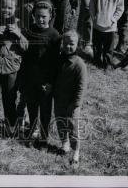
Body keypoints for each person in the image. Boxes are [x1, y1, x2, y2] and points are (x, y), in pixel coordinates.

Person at [0, 0, 28, 137]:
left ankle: (11, 126)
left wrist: (19, 34)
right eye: (4, 7)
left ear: (15, 8)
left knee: (9, 98)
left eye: (10, 7)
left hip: (11, 68)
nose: (6, 10)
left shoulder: (20, 23)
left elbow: (26, 47)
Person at [42, 30, 87, 166]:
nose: (68, 46)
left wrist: (76, 103)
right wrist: (50, 86)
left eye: (71, 44)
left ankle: (76, 152)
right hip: (59, 98)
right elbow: (55, 76)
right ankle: (64, 144)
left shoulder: (79, 64)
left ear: (77, 45)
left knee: (72, 126)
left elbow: (81, 86)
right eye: (65, 44)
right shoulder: (60, 59)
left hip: (72, 102)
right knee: (60, 122)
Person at [21, 0, 61, 148]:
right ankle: (32, 131)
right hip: (31, 79)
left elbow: (56, 63)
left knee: (45, 111)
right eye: (38, 16)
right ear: (34, 16)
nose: (40, 19)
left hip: (46, 81)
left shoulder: (54, 35)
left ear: (50, 17)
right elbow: (24, 57)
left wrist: (51, 83)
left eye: (44, 16)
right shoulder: (28, 31)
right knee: (32, 108)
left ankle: (44, 138)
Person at [90, 0, 124, 69]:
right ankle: (96, 61)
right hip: (97, 24)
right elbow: (91, 4)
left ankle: (106, 63)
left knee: (108, 47)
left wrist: (114, 19)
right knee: (97, 45)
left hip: (110, 27)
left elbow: (120, 9)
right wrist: (93, 15)